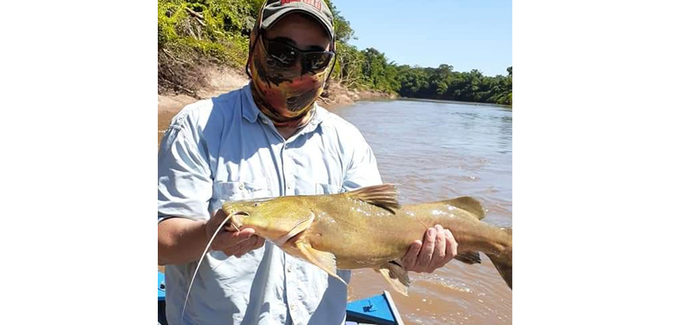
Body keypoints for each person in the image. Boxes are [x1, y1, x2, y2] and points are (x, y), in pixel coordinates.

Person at [157, 1, 459, 324]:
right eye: (282, 52)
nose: (298, 70)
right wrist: (207, 235)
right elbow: (159, 242)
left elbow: (377, 231)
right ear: (254, 43)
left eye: (314, 59)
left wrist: (410, 255)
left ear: (328, 65)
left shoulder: (348, 142)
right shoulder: (197, 126)